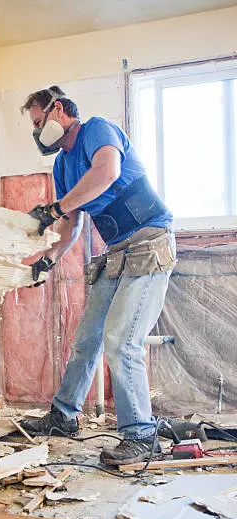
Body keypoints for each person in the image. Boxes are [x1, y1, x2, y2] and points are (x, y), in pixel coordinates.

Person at [18, 86, 176, 465]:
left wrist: (54, 208)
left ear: (58, 109)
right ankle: (64, 416)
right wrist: (48, 258)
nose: (38, 132)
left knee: (122, 340)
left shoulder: (96, 130)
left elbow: (107, 172)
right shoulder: (61, 165)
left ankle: (140, 435)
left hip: (150, 239)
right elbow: (71, 226)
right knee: (87, 338)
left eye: (39, 122)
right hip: (118, 251)